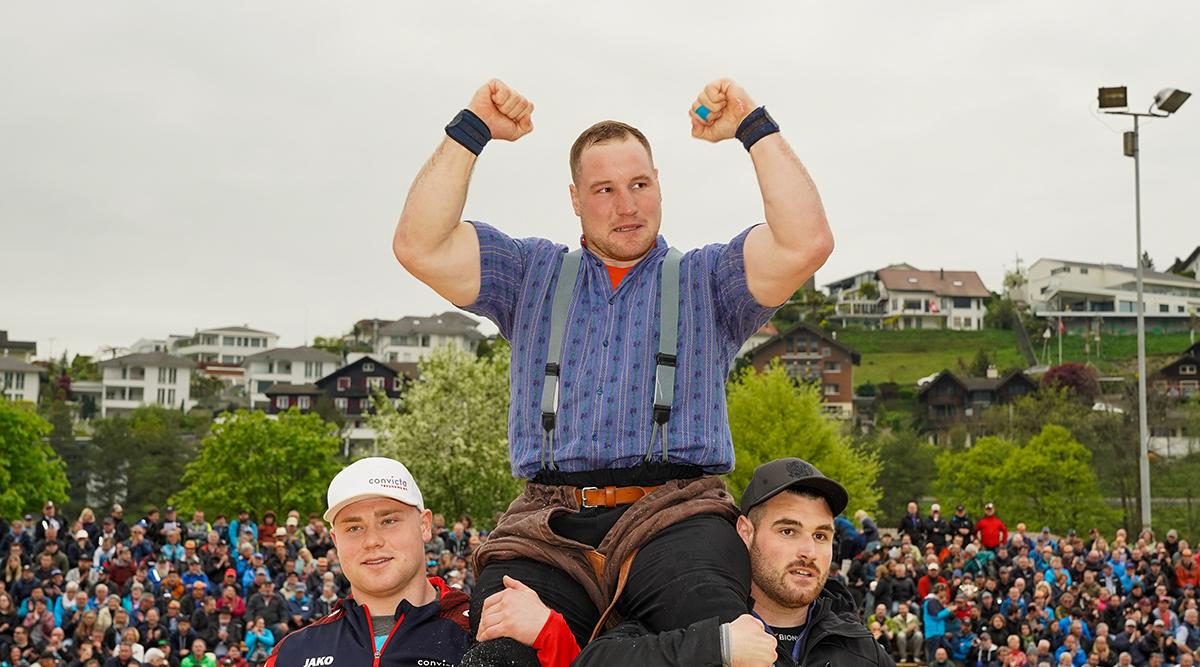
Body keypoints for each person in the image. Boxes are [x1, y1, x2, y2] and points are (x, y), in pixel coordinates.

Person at [394, 77, 833, 665]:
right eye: (604, 190)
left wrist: (752, 126)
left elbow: (805, 241)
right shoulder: (531, 275)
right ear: (574, 198)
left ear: (659, 187)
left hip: (676, 513)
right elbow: (419, 245)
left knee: (721, 643)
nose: (626, 206)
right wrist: (472, 129)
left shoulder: (708, 280)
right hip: (547, 524)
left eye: (639, 185)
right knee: (499, 653)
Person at [574, 458, 894, 666]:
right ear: (745, 532)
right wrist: (718, 647)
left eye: (821, 536)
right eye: (788, 531)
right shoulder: (692, 611)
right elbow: (594, 661)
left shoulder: (858, 648)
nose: (808, 551)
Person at [264, 457, 575, 667]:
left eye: (388, 520)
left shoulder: (483, 628)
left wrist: (552, 637)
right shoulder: (292, 652)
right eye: (354, 527)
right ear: (335, 541)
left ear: (425, 525)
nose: (372, 541)